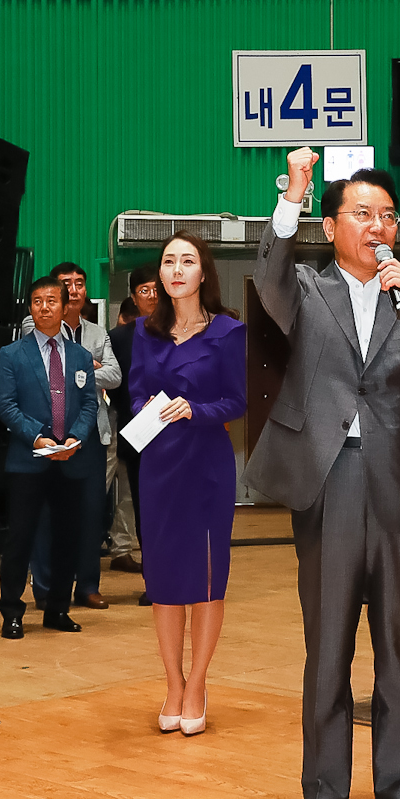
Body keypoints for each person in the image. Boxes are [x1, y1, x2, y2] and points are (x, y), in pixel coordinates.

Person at [245, 148, 400, 799]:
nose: (378, 227)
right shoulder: (307, 290)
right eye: (363, 215)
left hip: (397, 487)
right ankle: (324, 794)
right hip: (330, 481)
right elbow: (267, 275)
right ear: (334, 225)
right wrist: (294, 194)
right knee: (330, 643)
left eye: (388, 217)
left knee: (399, 647)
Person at [131, 232, 246, 736]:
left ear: (204, 274)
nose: (176, 270)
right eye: (169, 262)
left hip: (207, 465)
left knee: (204, 578)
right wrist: (152, 410)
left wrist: (195, 410)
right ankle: (173, 683)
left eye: (187, 261)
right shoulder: (143, 332)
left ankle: (198, 683)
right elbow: (134, 395)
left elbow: (238, 401)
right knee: (164, 582)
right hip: (158, 465)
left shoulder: (228, 331)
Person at [0, 276, 99, 639]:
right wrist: (36, 437)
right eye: (37, 301)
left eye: (51, 301)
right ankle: (11, 612)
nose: (44, 308)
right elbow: (5, 406)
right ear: (30, 307)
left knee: (68, 537)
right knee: (20, 538)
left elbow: (88, 404)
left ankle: (57, 609)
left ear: (66, 304)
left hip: (71, 460)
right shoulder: (11, 355)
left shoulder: (82, 356)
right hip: (28, 459)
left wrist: (76, 437)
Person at [22, 262, 122, 612]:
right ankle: (47, 587)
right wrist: (85, 367)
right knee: (47, 514)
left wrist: (80, 369)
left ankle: (88, 586)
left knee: (91, 513)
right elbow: (41, 372)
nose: (76, 290)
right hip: (47, 435)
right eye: (68, 285)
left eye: (80, 284)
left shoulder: (97, 333)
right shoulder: (35, 326)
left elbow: (114, 375)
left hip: (90, 433)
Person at [107, 266, 160, 579]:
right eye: (144, 290)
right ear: (133, 298)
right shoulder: (118, 338)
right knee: (144, 512)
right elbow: (114, 388)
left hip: (180, 436)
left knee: (177, 512)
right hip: (138, 437)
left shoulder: (181, 330)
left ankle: (180, 576)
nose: (152, 296)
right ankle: (153, 580)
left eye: (157, 289)